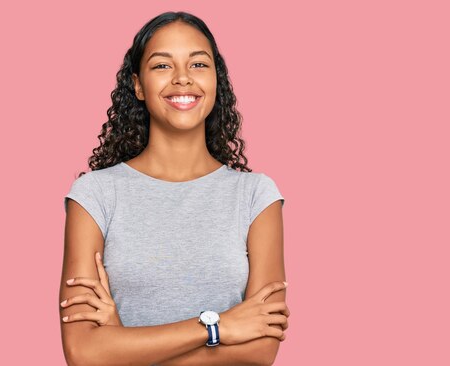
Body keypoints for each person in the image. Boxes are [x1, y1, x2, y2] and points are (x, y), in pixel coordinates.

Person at [59, 11, 290, 366]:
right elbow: (83, 352)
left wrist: (120, 345)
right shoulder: (95, 196)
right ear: (138, 85)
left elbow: (261, 350)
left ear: (217, 80)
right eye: (162, 66)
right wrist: (217, 327)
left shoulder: (256, 196)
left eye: (199, 64)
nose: (183, 79)